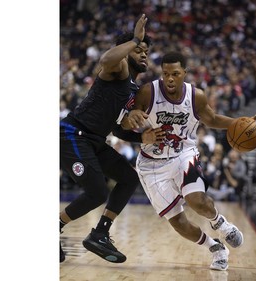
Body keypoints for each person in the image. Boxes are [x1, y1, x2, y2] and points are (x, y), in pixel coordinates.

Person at [128, 52, 256, 270]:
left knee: (196, 200)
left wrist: (239, 123)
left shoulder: (195, 96)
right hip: (151, 164)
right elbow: (127, 122)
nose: (170, 78)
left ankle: (220, 224)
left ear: (185, 74)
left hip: (183, 154)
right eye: (165, 74)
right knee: (178, 223)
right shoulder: (147, 92)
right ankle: (216, 247)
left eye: (175, 74)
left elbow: (212, 119)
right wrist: (131, 119)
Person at [59, 14, 165, 263]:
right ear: (126, 51)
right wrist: (135, 38)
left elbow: (118, 130)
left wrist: (143, 137)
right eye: (139, 49)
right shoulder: (119, 68)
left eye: (146, 52)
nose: (143, 54)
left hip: (95, 140)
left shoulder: (132, 89)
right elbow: (106, 59)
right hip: (73, 134)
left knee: (129, 178)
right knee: (97, 192)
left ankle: (100, 233)